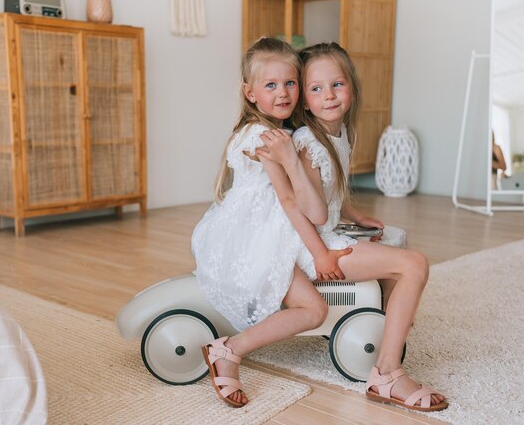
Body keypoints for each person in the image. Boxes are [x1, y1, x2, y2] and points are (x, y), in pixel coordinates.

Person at [259, 42, 448, 412]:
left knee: (395, 237)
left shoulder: (339, 130)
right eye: (315, 88)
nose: (328, 95)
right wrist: (322, 253)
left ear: (351, 87)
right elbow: (303, 207)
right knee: (414, 263)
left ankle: (388, 330)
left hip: (328, 231)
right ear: (304, 101)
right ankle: (387, 373)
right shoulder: (306, 144)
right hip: (313, 244)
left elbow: (331, 189)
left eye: (337, 84)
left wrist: (356, 216)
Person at [191, 38, 352, 408]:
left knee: (313, 305)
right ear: (250, 93)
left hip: (270, 227)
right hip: (254, 237)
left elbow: (314, 190)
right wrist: (320, 253)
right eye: (271, 85)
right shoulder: (264, 138)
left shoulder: (280, 132)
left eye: (290, 83)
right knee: (313, 309)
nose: (283, 93)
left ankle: (229, 349)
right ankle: (229, 351)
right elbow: (289, 201)